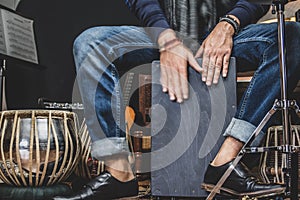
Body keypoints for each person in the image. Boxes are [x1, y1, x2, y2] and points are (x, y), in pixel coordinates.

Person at [53, 0, 300, 199]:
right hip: (162, 33)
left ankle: (225, 161)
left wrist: (228, 24)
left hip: (226, 33)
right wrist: (166, 39)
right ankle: (119, 174)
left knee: (292, 36)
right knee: (90, 43)